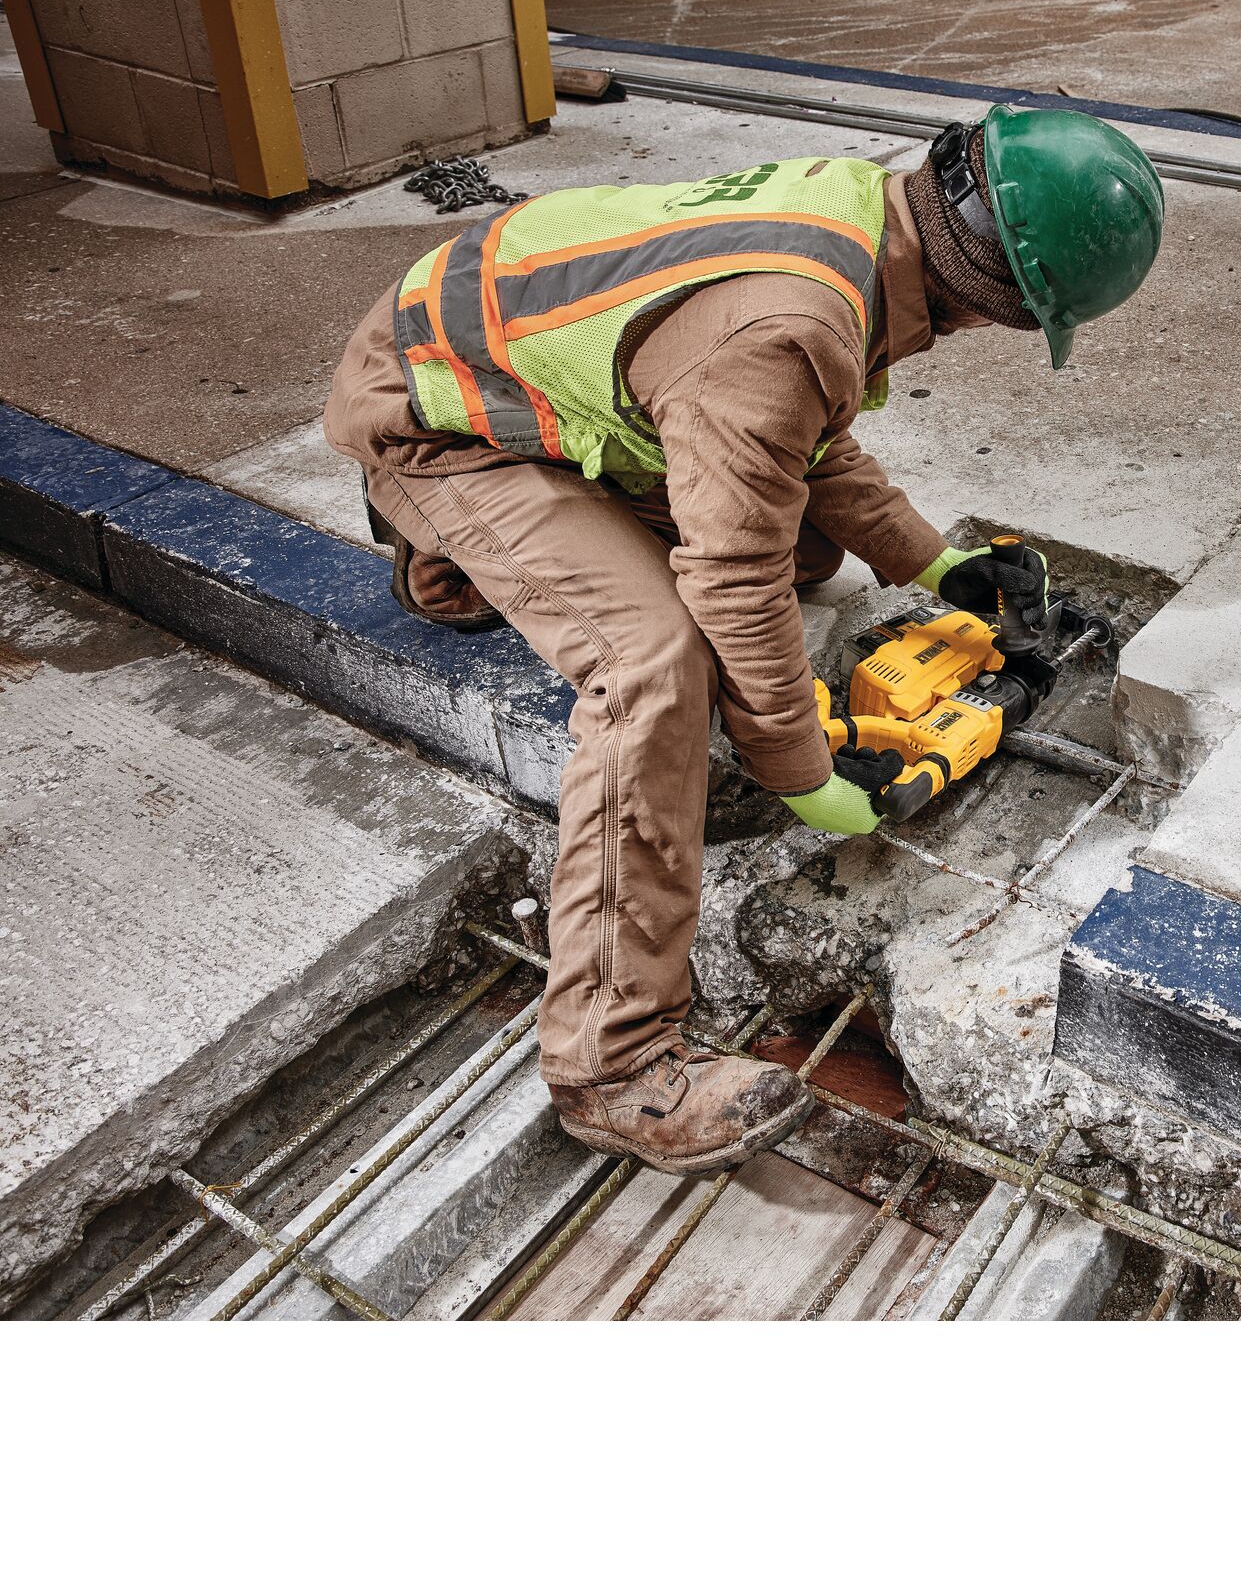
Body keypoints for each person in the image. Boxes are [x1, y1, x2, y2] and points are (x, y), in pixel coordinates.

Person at [324, 104, 1165, 1172]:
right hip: (436, 407)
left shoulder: (861, 210)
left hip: (497, 341)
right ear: (992, 303)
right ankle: (612, 1068)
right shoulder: (790, 328)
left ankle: (449, 555)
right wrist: (802, 769)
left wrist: (927, 560)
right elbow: (732, 564)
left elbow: (791, 438)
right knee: (654, 664)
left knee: (804, 545)